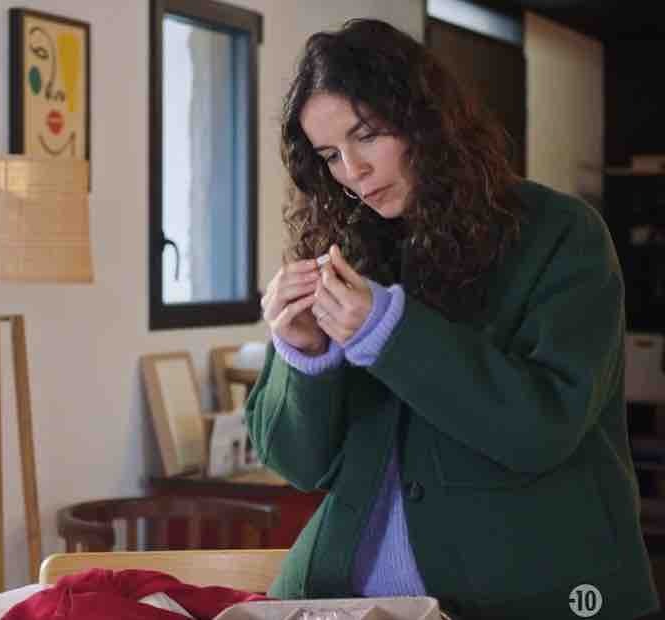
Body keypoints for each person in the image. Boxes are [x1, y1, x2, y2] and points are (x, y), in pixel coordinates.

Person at [246, 18, 659, 619]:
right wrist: (303, 355)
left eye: (367, 135)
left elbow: (541, 430)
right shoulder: (351, 248)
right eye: (330, 154)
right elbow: (299, 466)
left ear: (426, 119)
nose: (352, 170)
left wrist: (388, 332)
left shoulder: (561, 233)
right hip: (340, 598)